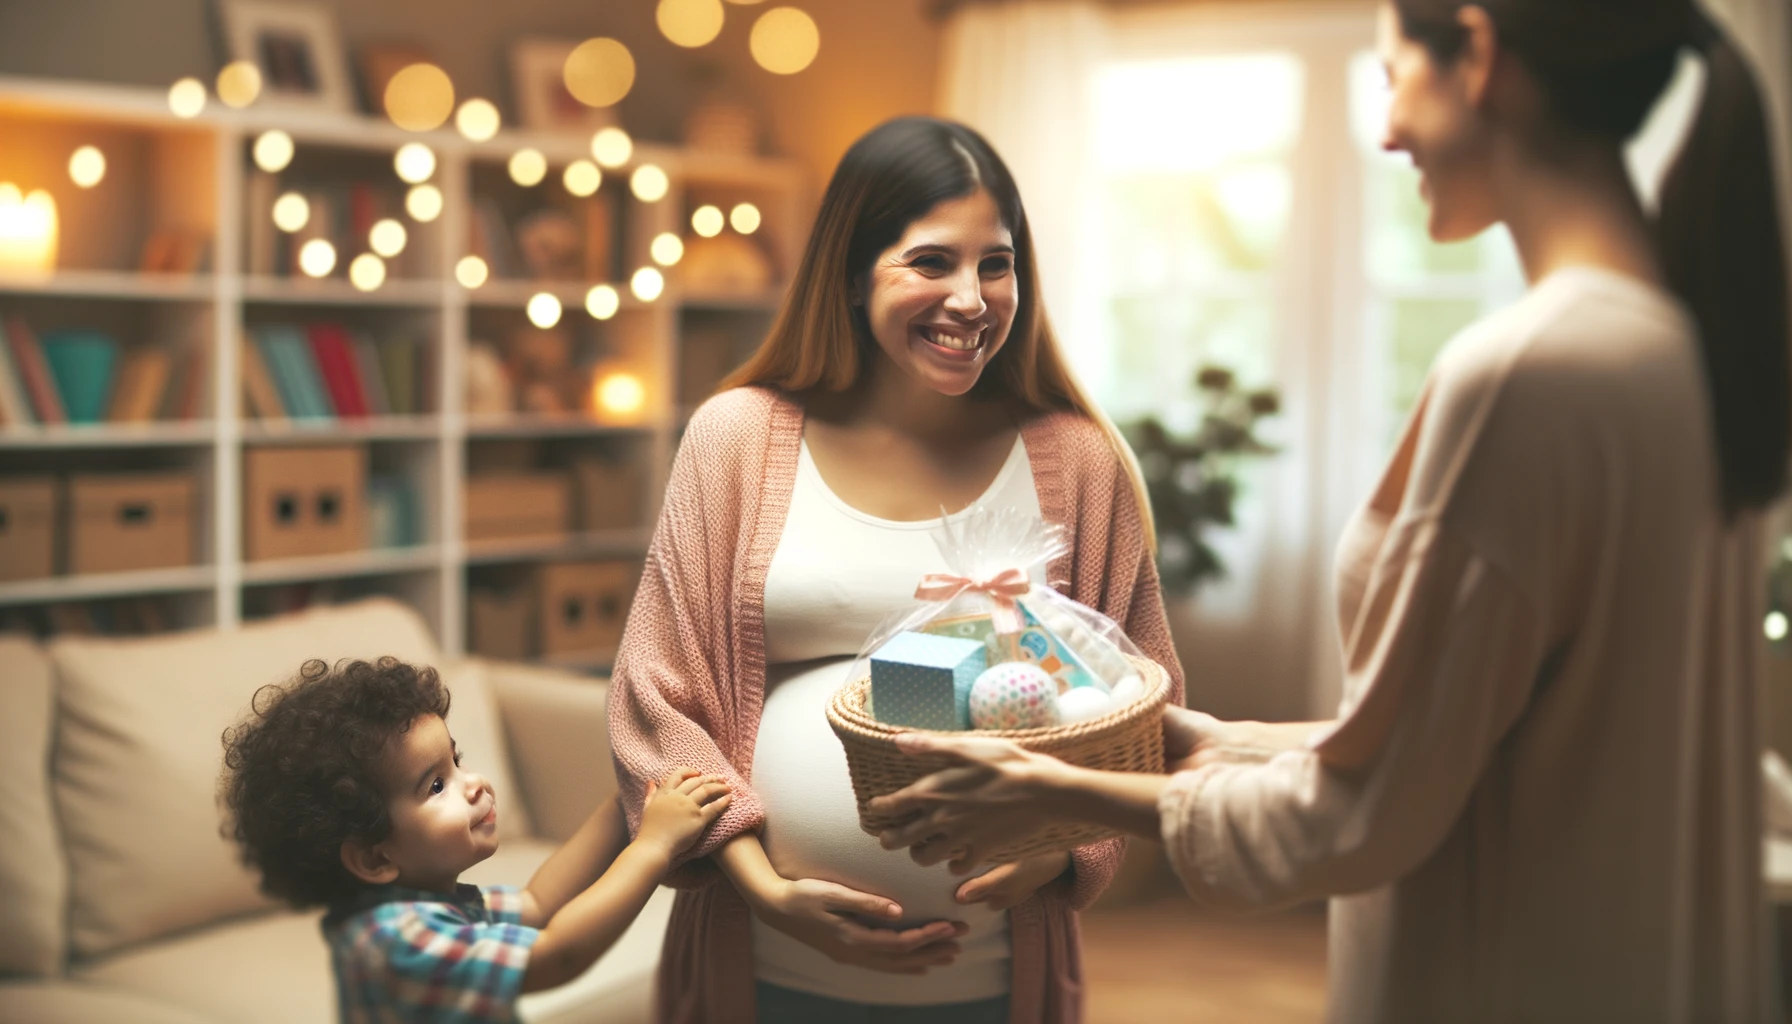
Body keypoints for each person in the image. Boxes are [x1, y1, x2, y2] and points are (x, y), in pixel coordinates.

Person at [871, 2, 1789, 1021]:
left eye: (1391, 77)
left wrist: (1054, 790)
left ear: (1477, 55)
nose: (1386, 131)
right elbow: (1490, 743)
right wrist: (1226, 741)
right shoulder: (1683, 353)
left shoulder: (1535, 371)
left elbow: (1356, 821)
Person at [605, 116, 1185, 1024]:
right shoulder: (737, 438)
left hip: (993, 979)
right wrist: (761, 887)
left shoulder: (1077, 462)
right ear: (848, 275)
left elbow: (1145, 718)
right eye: (930, 262)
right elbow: (656, 692)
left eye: (996, 263)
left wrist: (1056, 855)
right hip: (761, 967)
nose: (971, 297)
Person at [219, 656, 730, 1022]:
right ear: (376, 857)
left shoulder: (424, 903)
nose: (475, 783)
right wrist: (652, 847)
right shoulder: (397, 941)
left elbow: (539, 902)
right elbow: (557, 955)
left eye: (456, 761)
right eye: (436, 785)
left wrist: (626, 805)